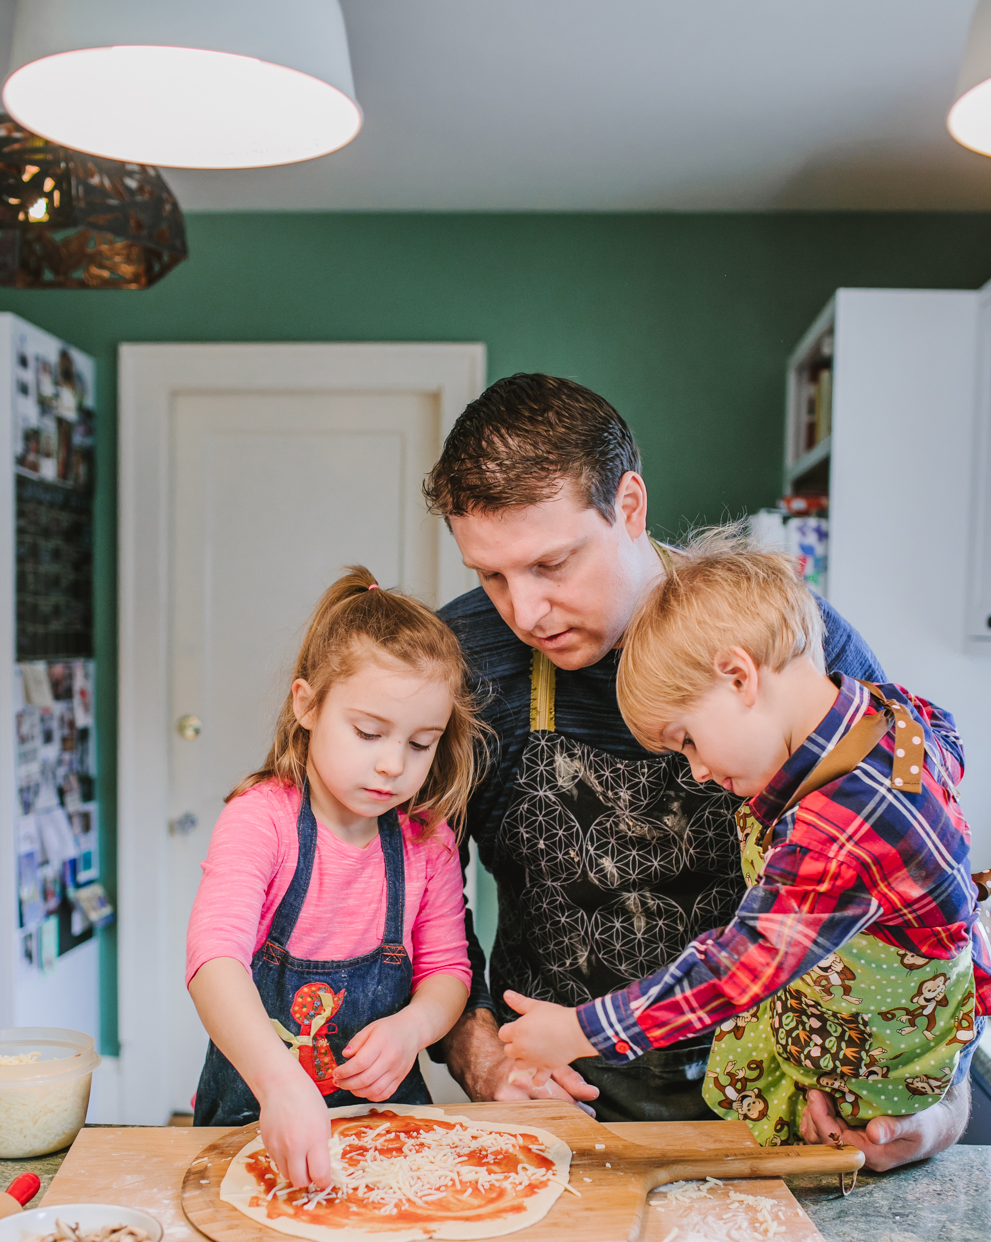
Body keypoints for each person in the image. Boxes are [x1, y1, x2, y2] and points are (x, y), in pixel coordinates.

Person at [427, 372, 978, 1167]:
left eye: (553, 565)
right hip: (565, 1107)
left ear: (629, 506)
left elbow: (929, 885)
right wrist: (476, 1047)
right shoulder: (464, 659)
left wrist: (929, 1108)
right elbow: (406, 893)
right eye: (492, 575)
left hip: (789, 1103)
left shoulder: (792, 642)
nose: (525, 613)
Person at [498, 542, 990, 1156]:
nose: (697, 771)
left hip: (878, 1077)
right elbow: (946, 734)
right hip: (828, 1020)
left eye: (688, 740)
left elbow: (733, 969)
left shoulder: (842, 827)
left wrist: (579, 1030)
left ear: (740, 676)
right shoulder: (890, 717)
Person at [187, 567, 483, 1190]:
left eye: (422, 743)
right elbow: (213, 960)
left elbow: (449, 974)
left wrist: (412, 1029)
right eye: (369, 732)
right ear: (307, 704)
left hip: (388, 1121)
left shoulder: (426, 841)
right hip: (255, 1114)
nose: (393, 764)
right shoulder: (261, 821)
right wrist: (278, 1082)